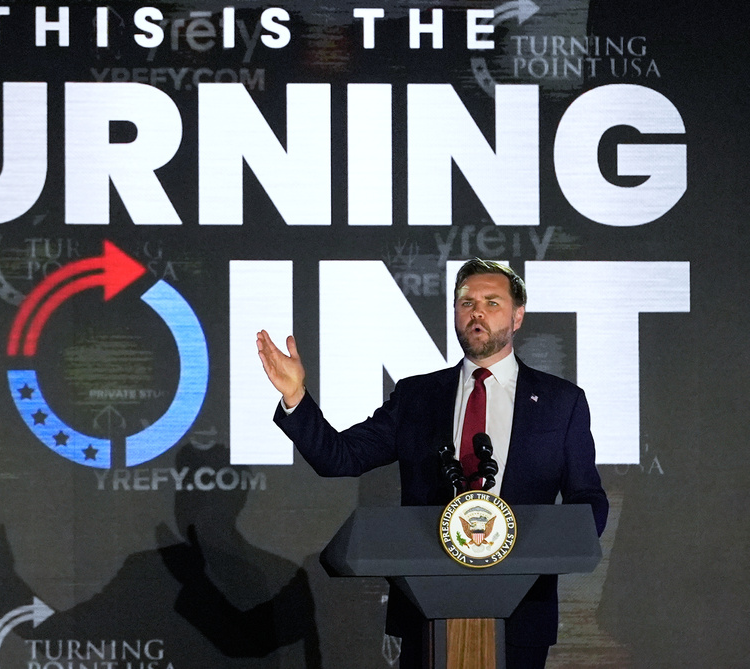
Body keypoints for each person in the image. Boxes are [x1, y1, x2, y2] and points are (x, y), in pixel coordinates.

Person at [256, 259, 608, 669]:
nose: (476, 312)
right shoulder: (417, 397)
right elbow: (340, 457)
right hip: (426, 611)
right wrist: (296, 397)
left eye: (492, 302)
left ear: (517, 316)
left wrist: (555, 548)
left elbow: (587, 496)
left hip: (522, 610)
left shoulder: (560, 402)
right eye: (466, 302)